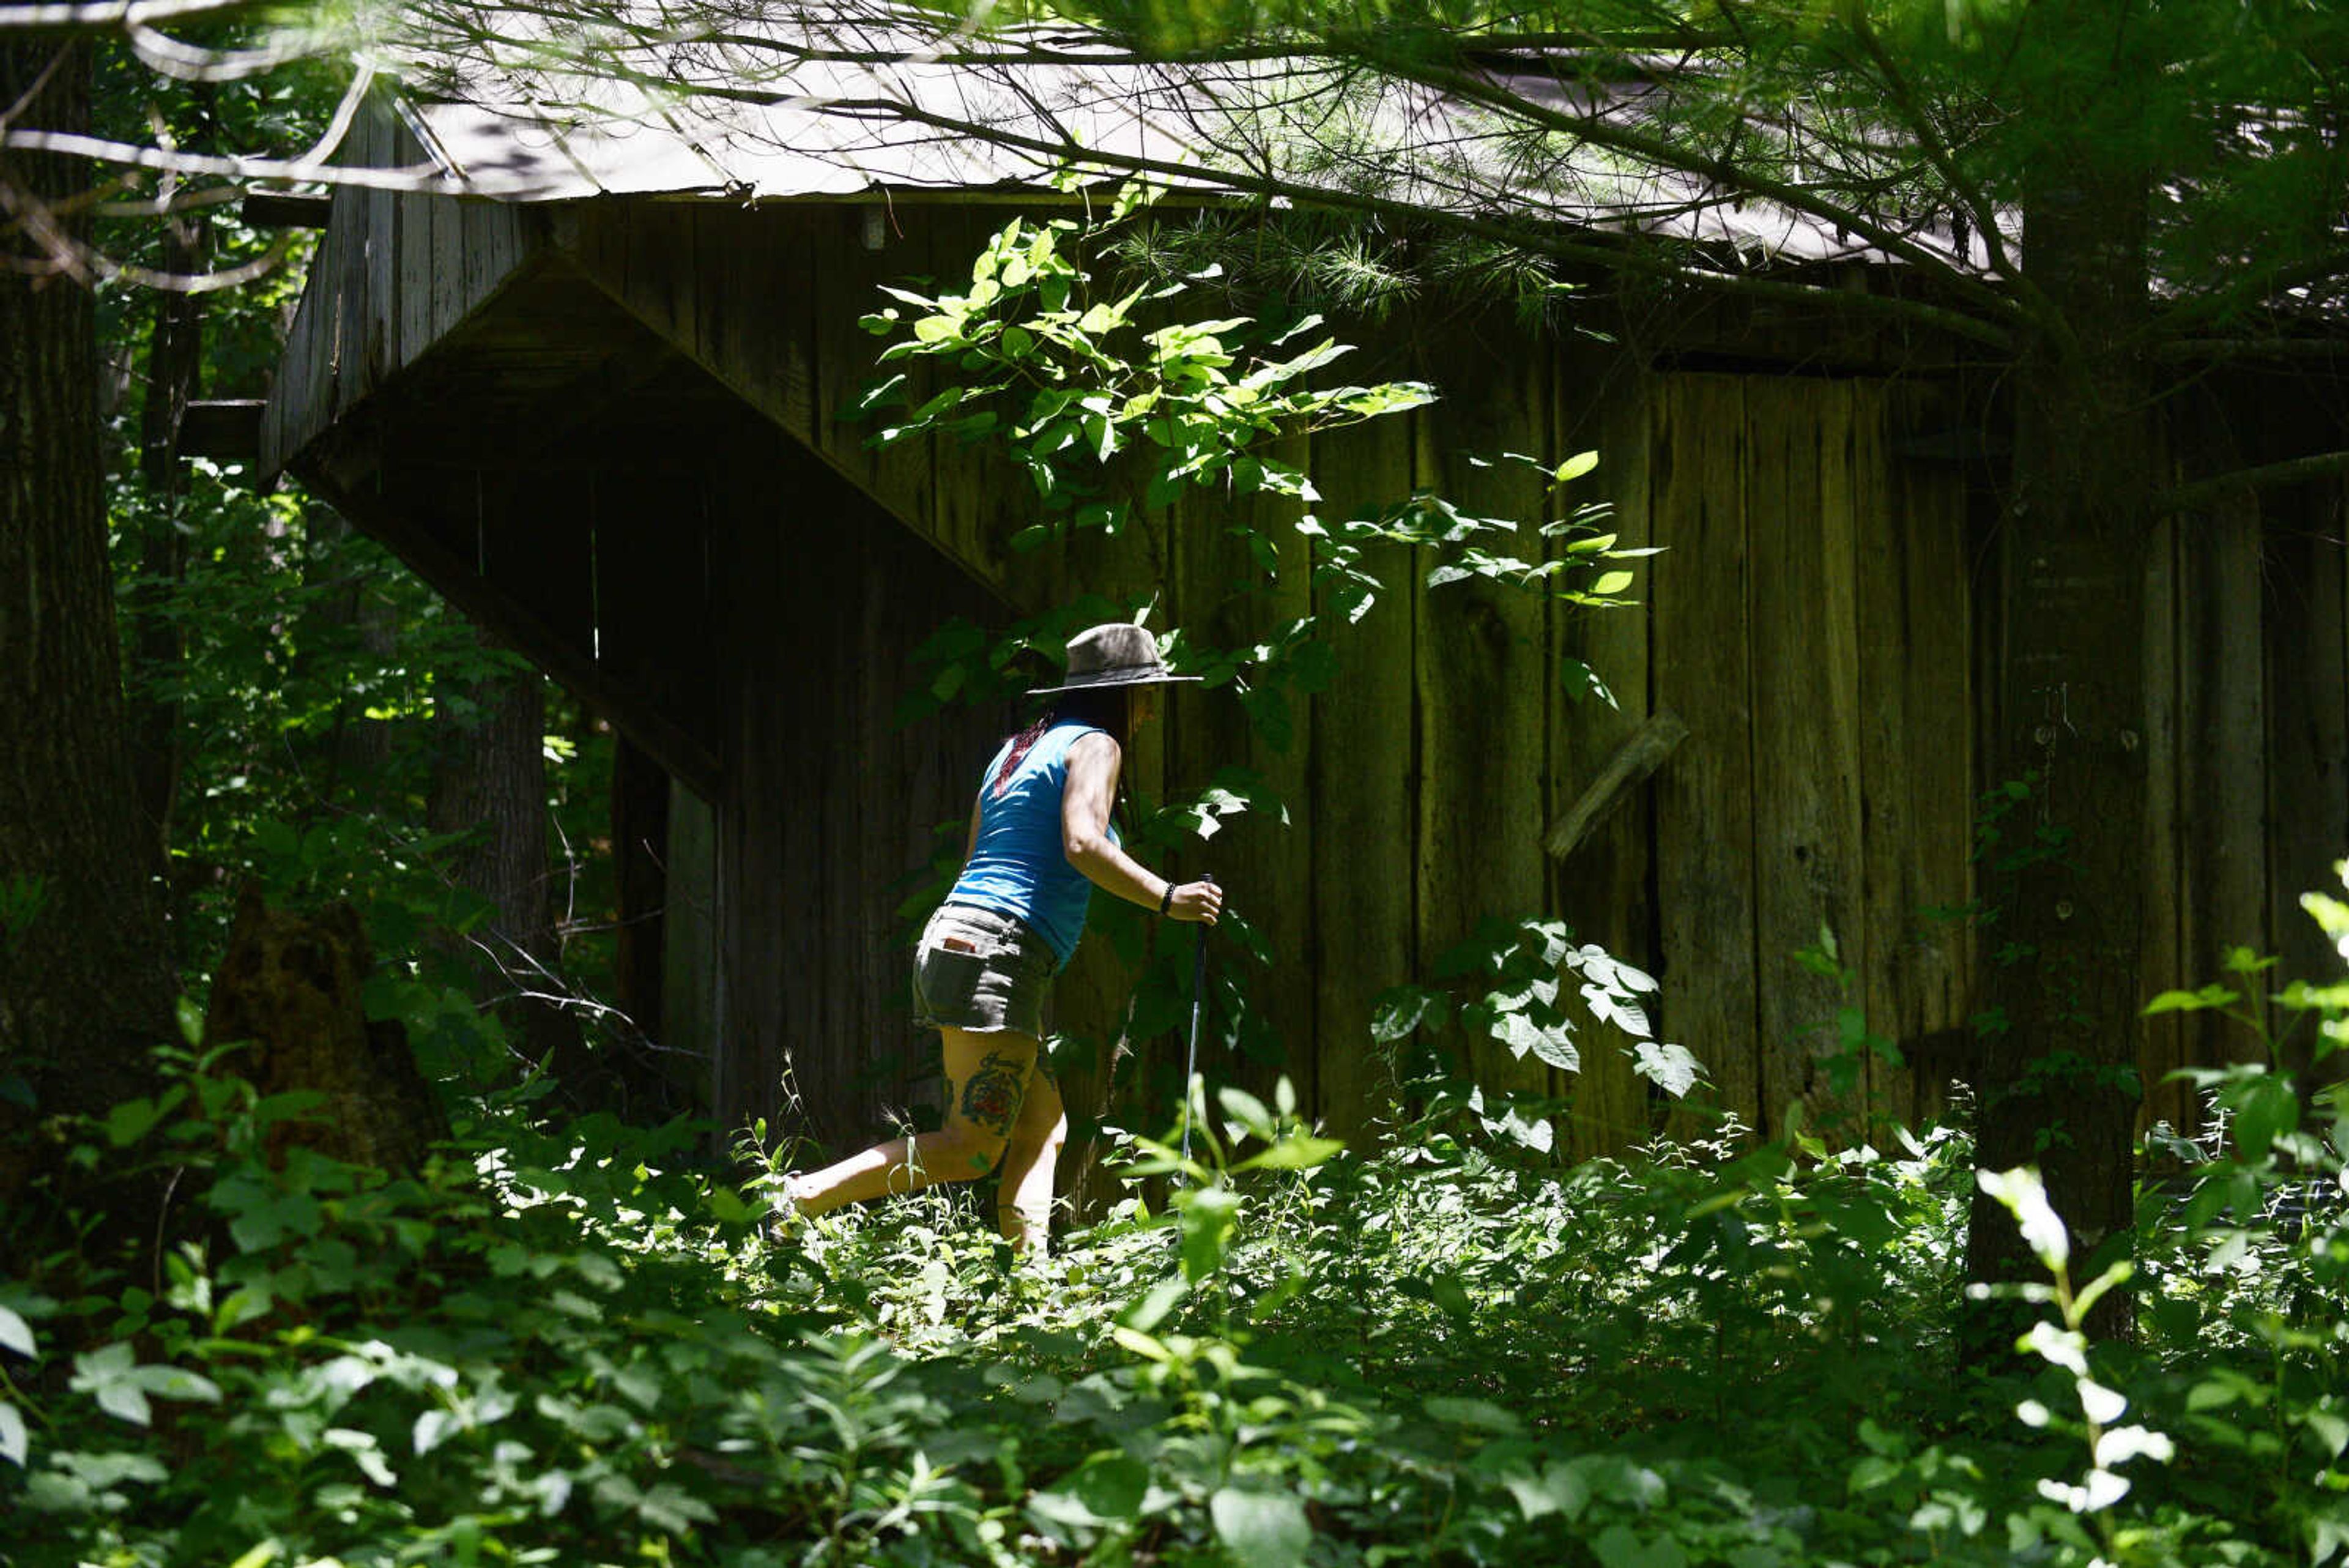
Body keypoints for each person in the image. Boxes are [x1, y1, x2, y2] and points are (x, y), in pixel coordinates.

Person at [781, 622, 1223, 1252]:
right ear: (1120, 694)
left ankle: (1030, 1287)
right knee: (970, 1148)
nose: (1152, 708)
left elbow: (972, 861)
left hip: (955, 942)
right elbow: (1083, 843)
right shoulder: (1097, 745)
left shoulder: (1017, 750)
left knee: (1043, 1125)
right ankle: (800, 1197)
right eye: (1148, 692)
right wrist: (1168, 898)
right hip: (1001, 953)